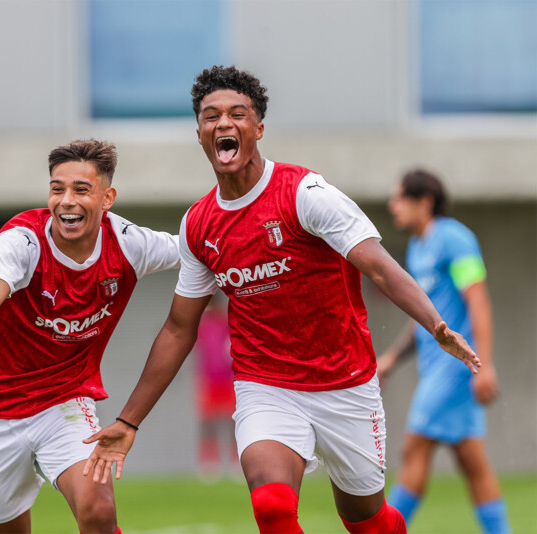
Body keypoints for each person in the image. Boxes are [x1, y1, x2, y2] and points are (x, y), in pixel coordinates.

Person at [82, 66, 481, 534]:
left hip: (345, 381)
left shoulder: (305, 194)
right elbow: (178, 327)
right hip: (265, 384)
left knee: (366, 520)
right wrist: (129, 421)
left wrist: (436, 326)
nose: (224, 124)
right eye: (212, 116)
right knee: (272, 506)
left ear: (258, 129)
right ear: (200, 133)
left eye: (237, 114)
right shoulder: (199, 224)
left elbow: (378, 265)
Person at [0, 139, 179, 534]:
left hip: (63, 402)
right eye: (57, 188)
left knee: (98, 509)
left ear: (107, 197)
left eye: (81, 190)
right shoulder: (22, 239)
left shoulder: (130, 244)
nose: (67, 200)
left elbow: (201, 250)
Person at [379, 169, 511, 534]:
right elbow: (426, 316)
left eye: (399, 198)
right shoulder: (417, 247)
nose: (393, 206)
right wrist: (392, 357)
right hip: (437, 368)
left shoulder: (456, 240)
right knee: (472, 461)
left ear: (424, 202)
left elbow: (478, 300)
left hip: (454, 371)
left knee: (414, 449)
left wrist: (484, 365)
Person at [192, 293, 239, 479]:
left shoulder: (227, 323)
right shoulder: (202, 325)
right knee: (208, 423)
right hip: (209, 380)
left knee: (232, 422)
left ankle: (237, 461)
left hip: (228, 379)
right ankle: (210, 463)